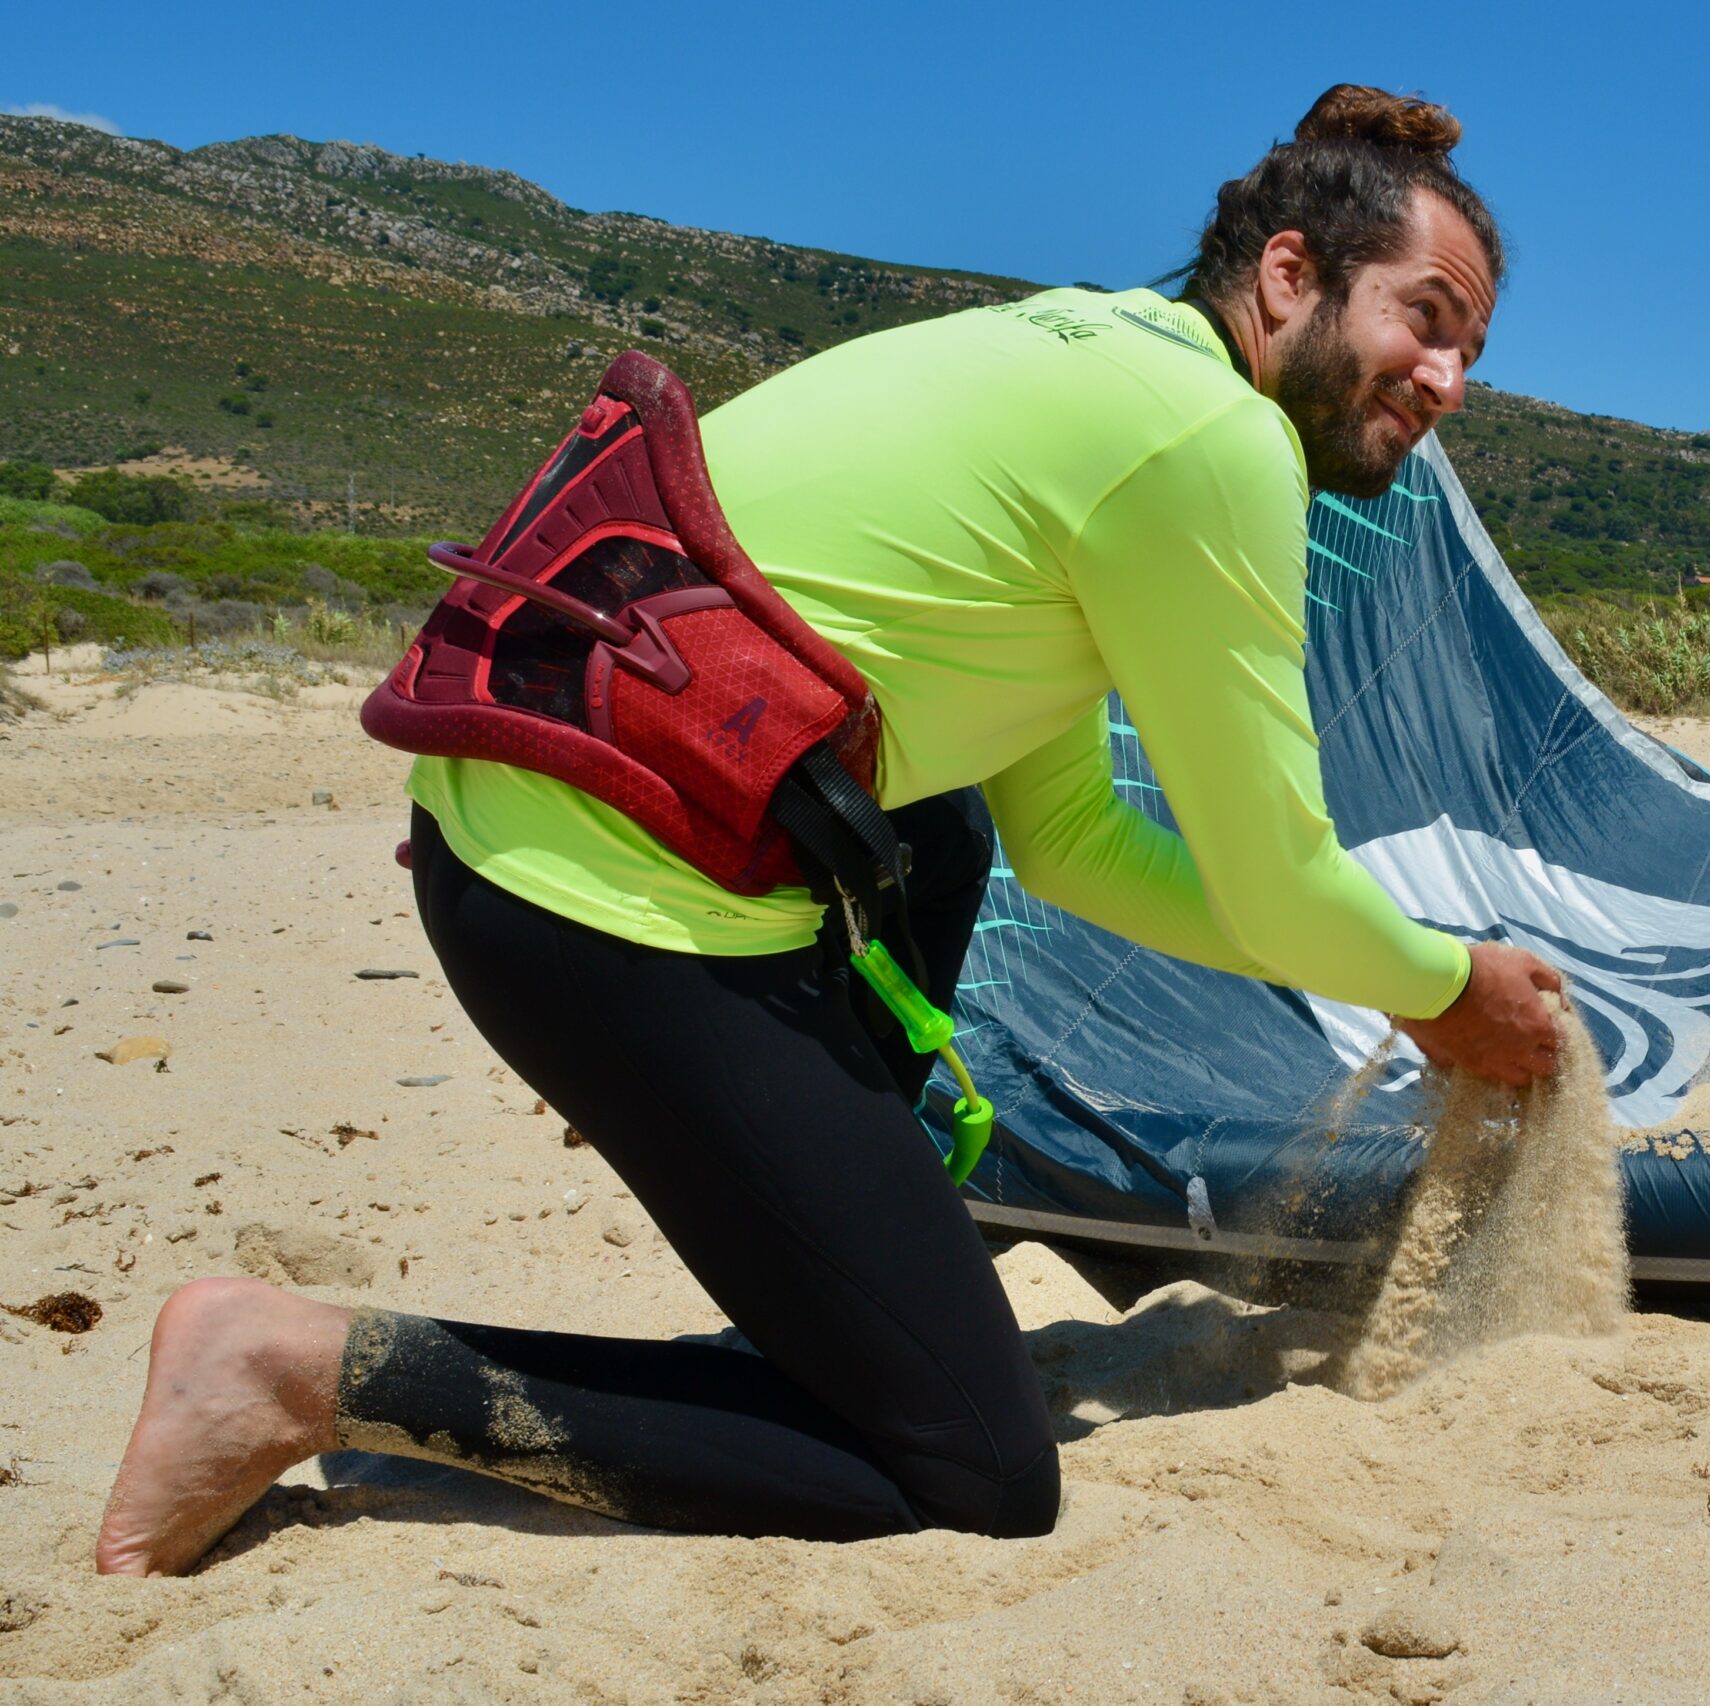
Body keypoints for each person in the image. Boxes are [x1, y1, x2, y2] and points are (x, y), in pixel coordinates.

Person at [95, 84, 1563, 1575]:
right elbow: (1277, 877)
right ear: (1291, 274)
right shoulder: (1211, 444)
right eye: (1425, 318)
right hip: (604, 904)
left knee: (947, 831)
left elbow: (1070, 840)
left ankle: (857, 1267)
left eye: (1473, 352)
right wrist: (1447, 988)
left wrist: (1411, 980)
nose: (1446, 377)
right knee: (976, 1468)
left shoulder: (1095, 364)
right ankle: (288, 1365)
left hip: (522, 852)